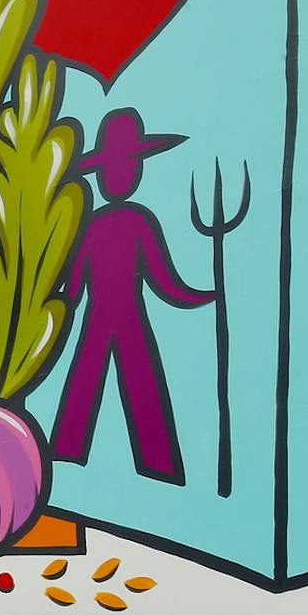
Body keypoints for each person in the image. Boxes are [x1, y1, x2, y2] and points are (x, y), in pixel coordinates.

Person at [51, 108, 213, 483]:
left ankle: (151, 463)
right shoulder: (110, 224)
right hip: (116, 317)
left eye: (128, 165)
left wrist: (198, 296)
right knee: (103, 379)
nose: (123, 174)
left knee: (127, 381)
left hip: (117, 317)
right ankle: (79, 453)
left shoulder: (128, 222)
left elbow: (161, 278)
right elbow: (76, 286)